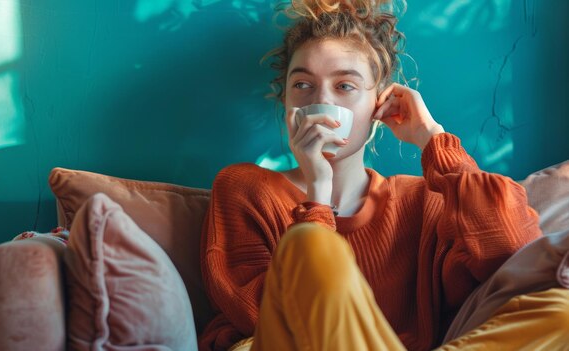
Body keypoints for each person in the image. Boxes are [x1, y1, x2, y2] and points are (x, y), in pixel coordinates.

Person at [198, 0, 569, 350]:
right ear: (287, 103)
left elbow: (516, 255)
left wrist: (432, 139)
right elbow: (263, 317)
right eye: (302, 85)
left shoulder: (423, 201)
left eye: (345, 86)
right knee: (310, 249)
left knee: (560, 313)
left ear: (380, 105)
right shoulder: (244, 187)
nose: (319, 101)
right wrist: (319, 193)